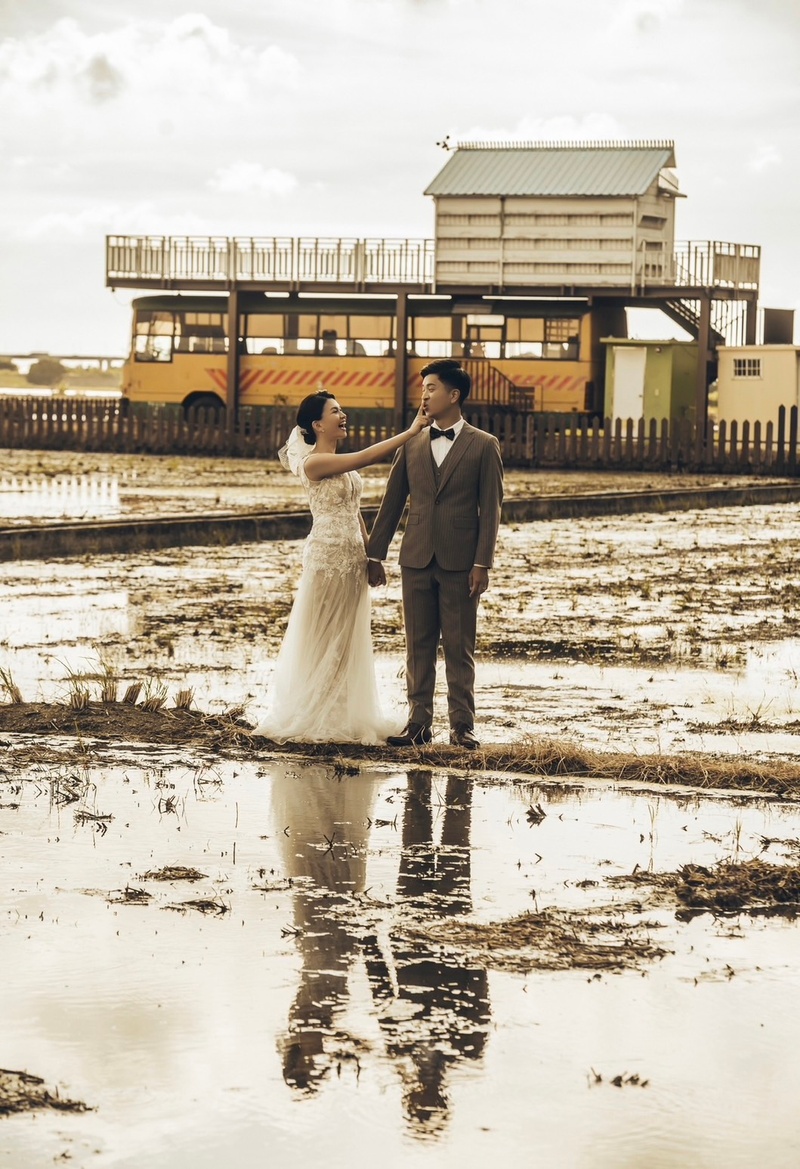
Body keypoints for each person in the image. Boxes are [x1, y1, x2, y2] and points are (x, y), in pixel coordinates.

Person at [256, 390, 429, 743]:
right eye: (335, 411)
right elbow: (366, 457)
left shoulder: (337, 463)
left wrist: (372, 556)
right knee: (326, 633)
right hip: (327, 558)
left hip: (352, 559)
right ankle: (318, 711)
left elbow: (354, 512)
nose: (343, 415)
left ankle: (345, 709)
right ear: (318, 425)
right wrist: (411, 432)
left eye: (341, 409)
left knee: (348, 635)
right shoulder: (313, 464)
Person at [367, 359, 503, 750]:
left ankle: (462, 726)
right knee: (418, 646)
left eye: (431, 388)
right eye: (423, 388)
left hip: (462, 563)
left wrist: (482, 563)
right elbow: (393, 501)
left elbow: (491, 509)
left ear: (453, 395)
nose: (424, 395)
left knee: (459, 647)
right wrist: (375, 554)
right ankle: (418, 724)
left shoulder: (484, 444)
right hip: (416, 558)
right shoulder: (410, 443)